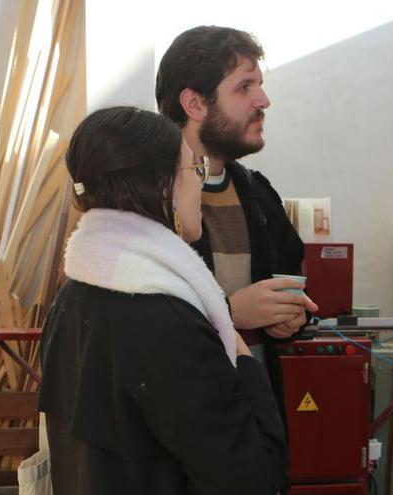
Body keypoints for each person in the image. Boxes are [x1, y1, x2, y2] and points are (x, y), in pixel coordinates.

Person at [38, 106, 288, 494]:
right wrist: (240, 356)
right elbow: (254, 477)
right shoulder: (170, 324)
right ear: (163, 188)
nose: (200, 185)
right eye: (194, 170)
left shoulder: (72, 296)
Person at [156, 26, 317, 423]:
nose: (263, 100)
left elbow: (292, 275)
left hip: (252, 416)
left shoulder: (258, 194)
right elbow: (138, 321)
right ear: (194, 103)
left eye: (259, 85)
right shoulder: (147, 200)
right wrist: (229, 312)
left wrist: (291, 317)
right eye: (244, 87)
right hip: (181, 425)